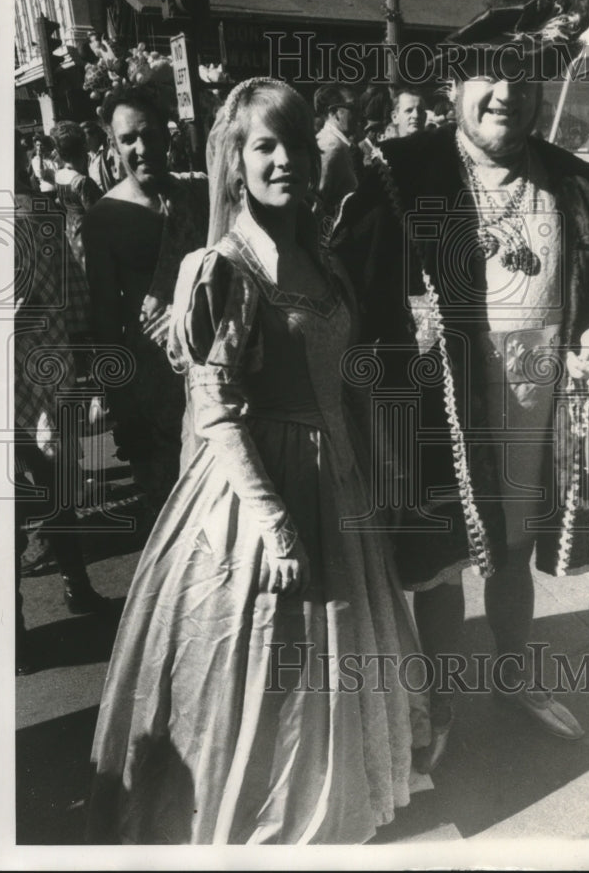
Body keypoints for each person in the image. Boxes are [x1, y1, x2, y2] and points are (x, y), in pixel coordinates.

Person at [87, 78, 427, 845]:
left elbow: (343, 371)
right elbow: (216, 410)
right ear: (234, 161)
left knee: (332, 658)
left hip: (334, 479)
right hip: (256, 495)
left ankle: (325, 800)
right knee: (265, 664)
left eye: (296, 145)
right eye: (264, 146)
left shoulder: (322, 254)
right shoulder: (221, 268)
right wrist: (273, 527)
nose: (285, 161)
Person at [332, 0, 589, 770]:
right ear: (455, 86)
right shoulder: (404, 173)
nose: (507, 93)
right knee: (436, 569)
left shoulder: (573, 185)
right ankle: (437, 701)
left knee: (508, 554)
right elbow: (343, 296)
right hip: (434, 411)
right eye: (489, 75)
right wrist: (401, 328)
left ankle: (512, 675)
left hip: (531, 413)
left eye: (526, 79)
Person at [81, 85, 209, 516]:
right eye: (127, 139)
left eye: (149, 134)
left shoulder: (198, 194)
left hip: (213, 372)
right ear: (113, 146)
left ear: (168, 135)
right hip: (152, 390)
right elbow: (104, 316)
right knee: (174, 516)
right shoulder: (105, 217)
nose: (141, 148)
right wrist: (122, 405)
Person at [13, 133, 108, 675]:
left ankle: (76, 584)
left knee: (58, 487)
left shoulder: (46, 214)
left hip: (48, 376)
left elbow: (72, 292)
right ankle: (14, 629)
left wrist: (85, 360)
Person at [50, 120, 103, 272]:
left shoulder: (59, 175)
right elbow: (98, 216)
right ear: (82, 149)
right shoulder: (81, 181)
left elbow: (61, 201)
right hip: (88, 237)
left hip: (72, 232)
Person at [313, 84, 362, 219]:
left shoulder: (339, 144)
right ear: (334, 112)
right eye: (353, 108)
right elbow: (317, 202)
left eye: (359, 108)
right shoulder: (332, 146)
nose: (359, 114)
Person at [81, 120, 119, 194]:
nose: (82, 141)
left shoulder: (109, 153)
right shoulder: (89, 157)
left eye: (84, 136)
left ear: (95, 135)